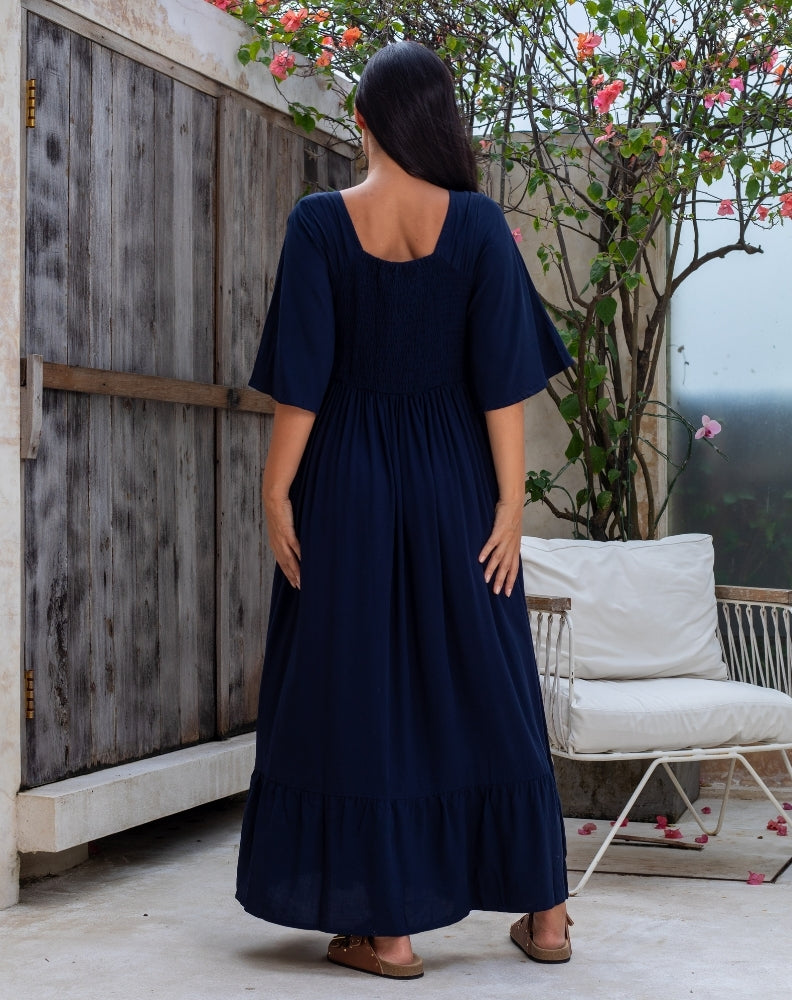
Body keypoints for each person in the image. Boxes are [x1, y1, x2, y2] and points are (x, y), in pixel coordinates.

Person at [236, 40, 574, 980]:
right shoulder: (476, 225)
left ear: (365, 121)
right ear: (439, 121)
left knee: (355, 690)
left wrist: (274, 490)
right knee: (492, 675)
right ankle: (546, 918)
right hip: (455, 479)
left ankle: (389, 935)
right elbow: (503, 382)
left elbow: (300, 383)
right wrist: (509, 503)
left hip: (344, 479)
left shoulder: (317, 224)